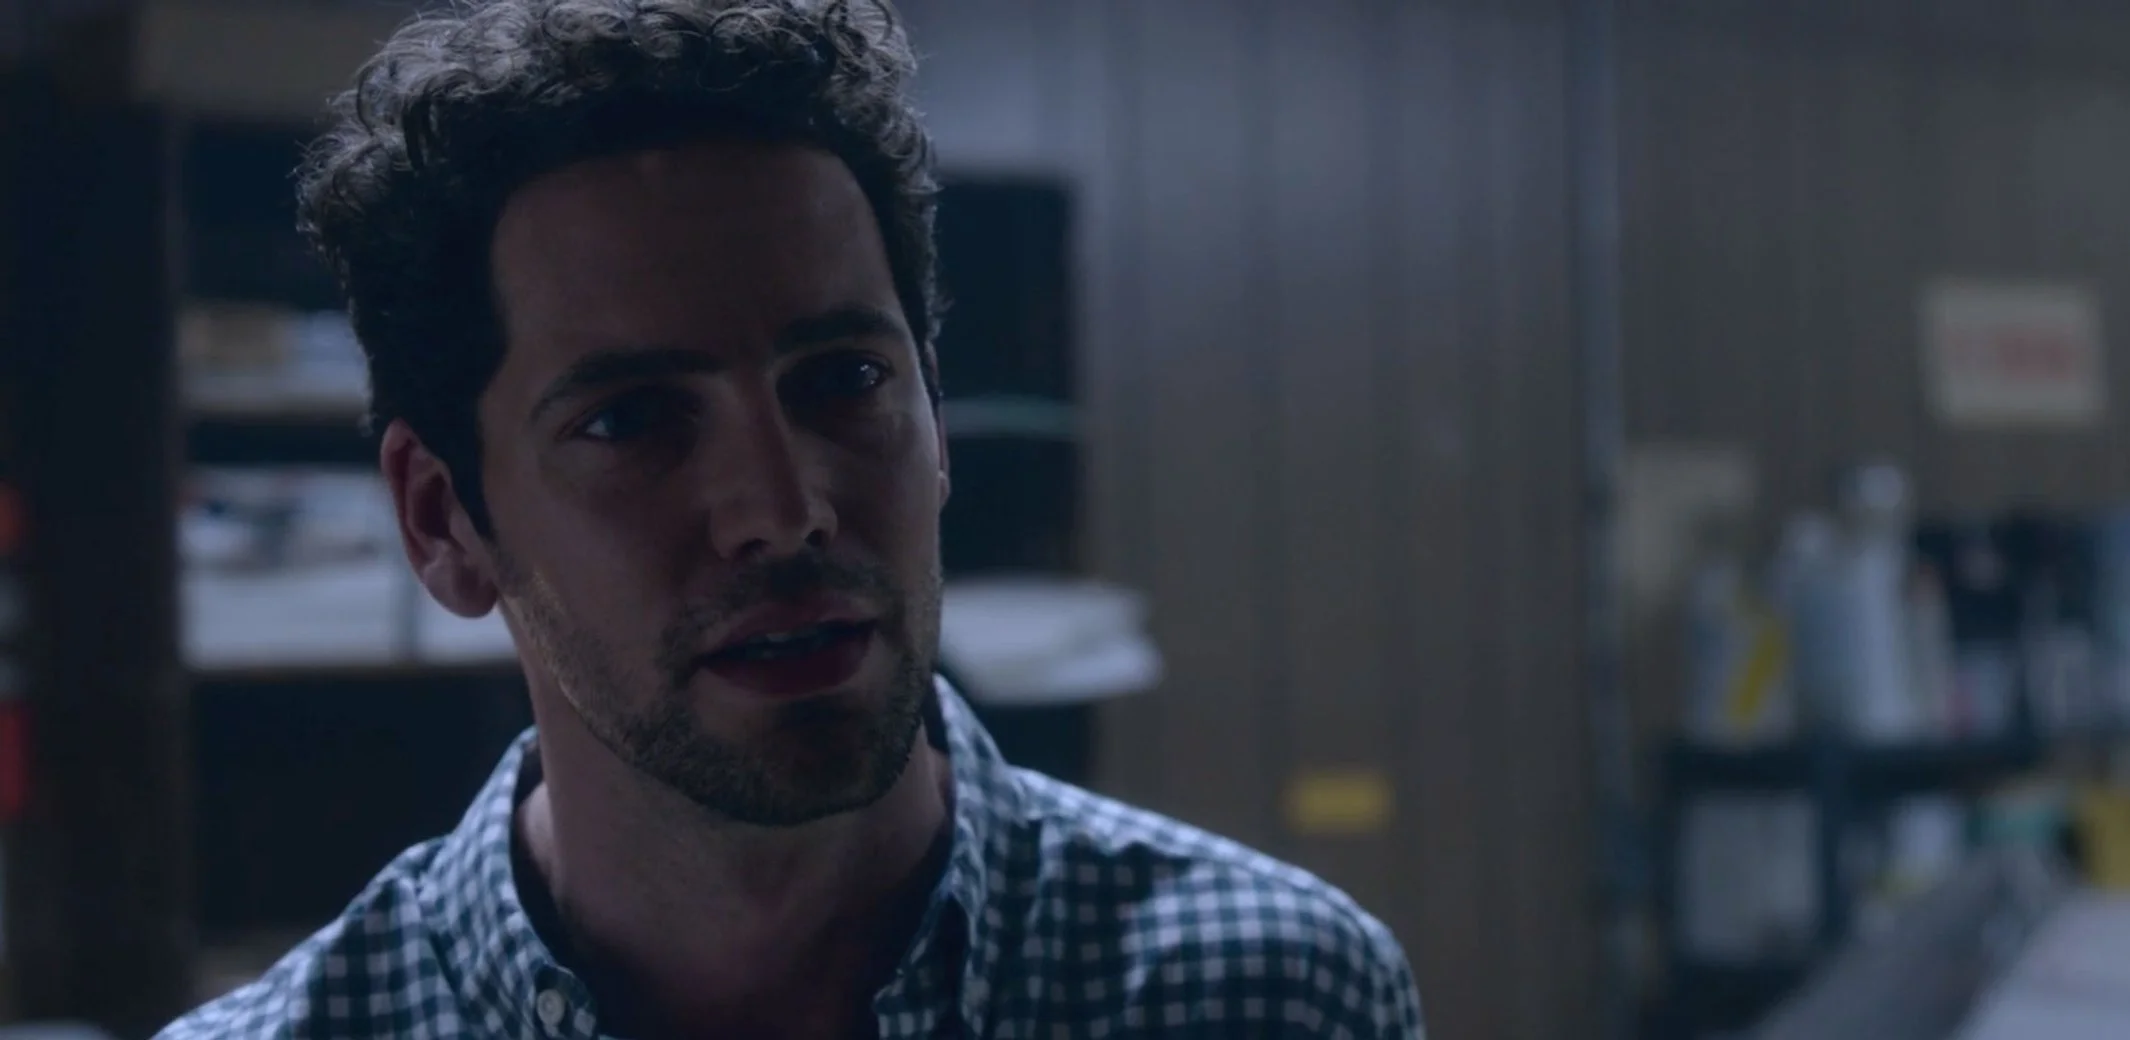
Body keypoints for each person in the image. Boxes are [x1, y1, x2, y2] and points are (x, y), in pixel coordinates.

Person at [156, 0, 1424, 1036]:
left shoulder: (1266, 992)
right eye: (631, 419)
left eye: (843, 381)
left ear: (933, 419)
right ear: (443, 523)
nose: (783, 508)